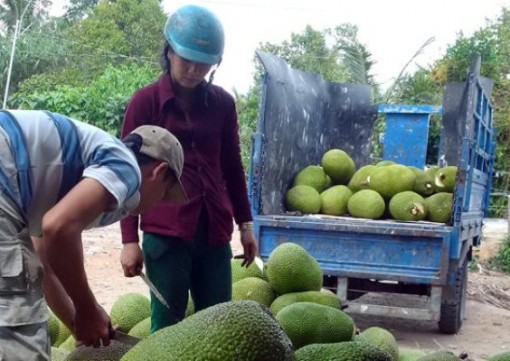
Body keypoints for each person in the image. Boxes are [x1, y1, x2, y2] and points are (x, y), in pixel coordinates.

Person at [0, 109, 187, 361]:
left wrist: (79, 323)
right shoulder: (125, 166)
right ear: (159, 171)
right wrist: (88, 307)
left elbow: (45, 264)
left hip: (10, 188)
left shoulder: (78, 172)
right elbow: (58, 228)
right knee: (20, 333)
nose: (159, 203)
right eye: (165, 194)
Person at [119, 4, 258, 333]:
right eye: (187, 60)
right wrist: (129, 240)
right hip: (165, 234)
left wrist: (246, 224)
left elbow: (232, 168)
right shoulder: (145, 102)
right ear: (169, 52)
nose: (195, 70)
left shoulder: (223, 104)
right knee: (166, 326)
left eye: (204, 63)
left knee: (219, 325)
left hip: (213, 231)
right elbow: (124, 171)